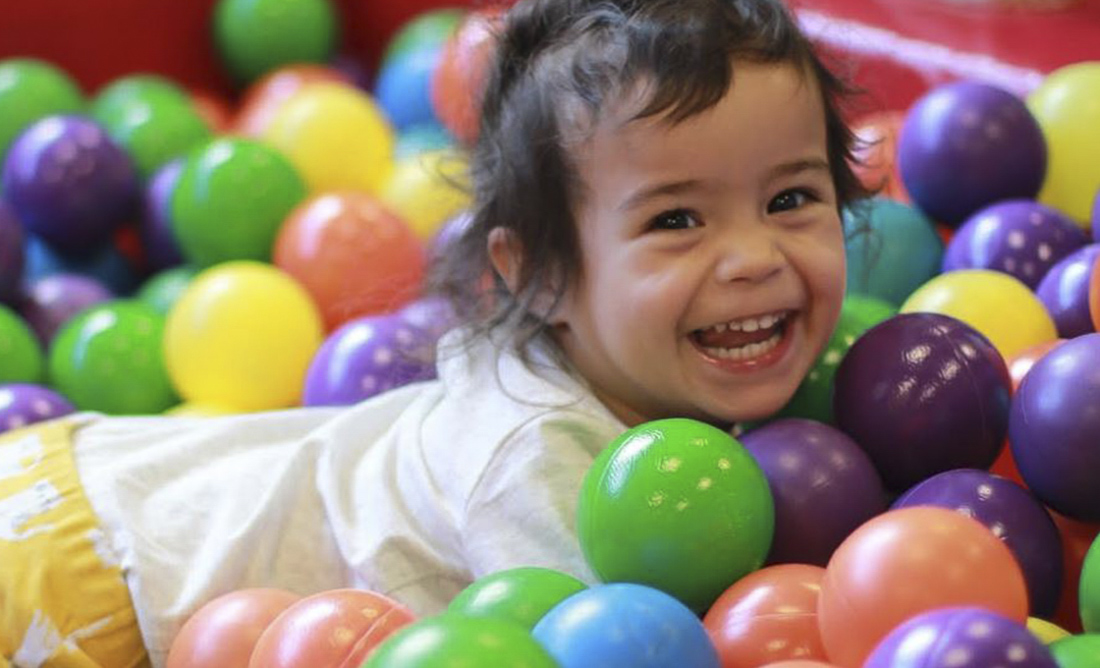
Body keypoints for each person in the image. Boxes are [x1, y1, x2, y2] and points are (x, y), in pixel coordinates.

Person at [0, 0, 870, 665]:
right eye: (677, 220)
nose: (753, 257)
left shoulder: (651, 377)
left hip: (102, 487)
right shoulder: (543, 469)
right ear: (540, 273)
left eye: (791, 199)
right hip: (89, 589)